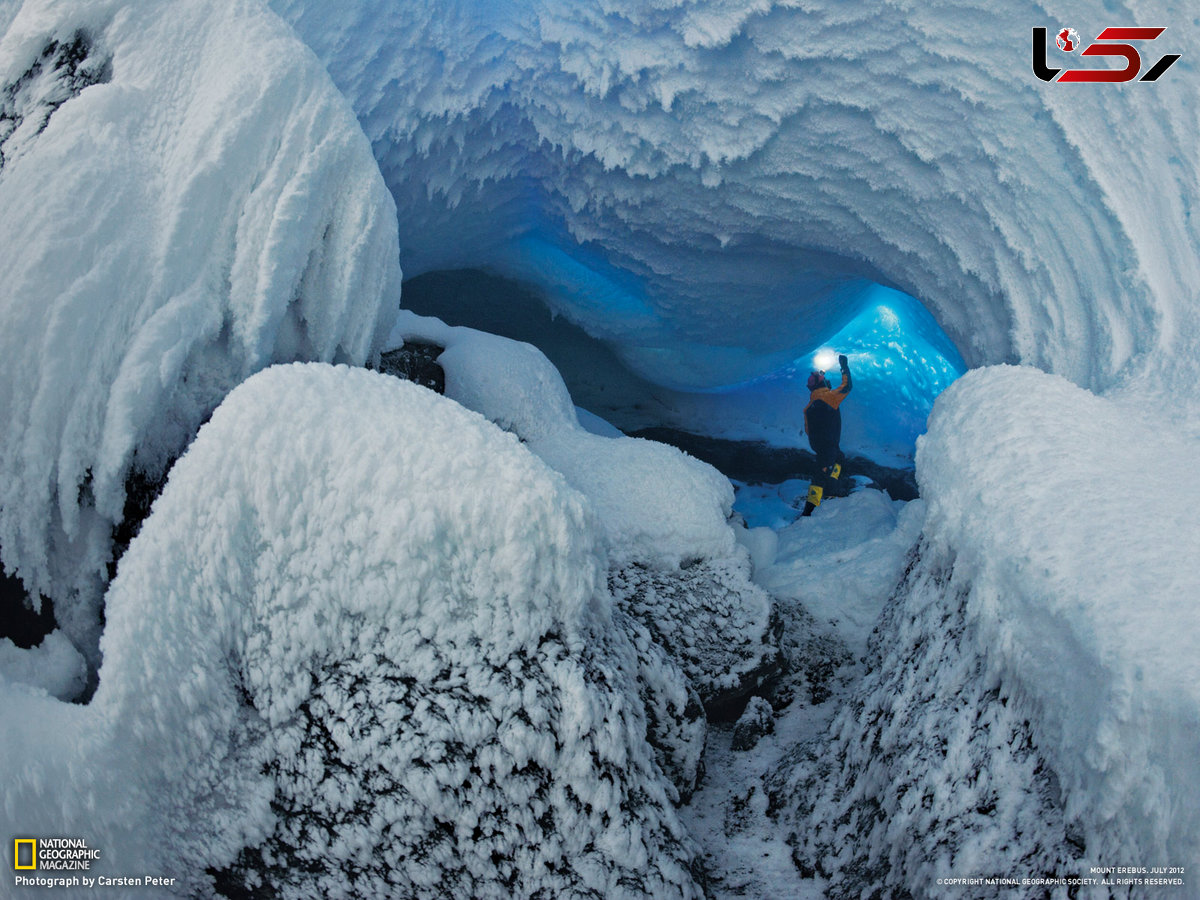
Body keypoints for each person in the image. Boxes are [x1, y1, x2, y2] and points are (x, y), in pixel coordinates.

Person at [801, 353, 852, 517]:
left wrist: (821, 373)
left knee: (837, 461)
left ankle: (828, 495)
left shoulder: (809, 406)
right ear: (822, 384)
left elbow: (808, 430)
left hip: (819, 445)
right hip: (828, 444)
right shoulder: (829, 397)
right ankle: (813, 509)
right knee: (823, 473)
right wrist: (844, 366)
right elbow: (847, 386)